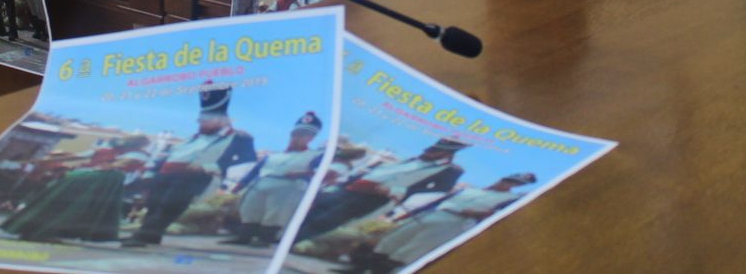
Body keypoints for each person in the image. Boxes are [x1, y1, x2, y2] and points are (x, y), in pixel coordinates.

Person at [123, 83, 257, 247]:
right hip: (166, 174)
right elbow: (171, 154)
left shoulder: (239, 138)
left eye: (205, 120)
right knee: (153, 205)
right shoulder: (192, 137)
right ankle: (150, 235)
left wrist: (208, 167)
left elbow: (247, 159)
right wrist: (151, 172)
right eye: (200, 120)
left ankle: (143, 236)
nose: (200, 124)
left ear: (221, 120)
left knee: (169, 206)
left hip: (192, 176)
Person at [347, 172, 537, 272]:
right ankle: (356, 269)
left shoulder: (508, 199)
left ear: (517, 186)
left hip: (455, 222)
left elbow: (496, 216)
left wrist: (480, 215)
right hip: (434, 214)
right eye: (507, 179)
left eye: (513, 183)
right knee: (392, 240)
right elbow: (439, 201)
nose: (507, 183)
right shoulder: (473, 190)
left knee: (410, 250)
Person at [296, 139, 467, 241]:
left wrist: (398, 190)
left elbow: (441, 188)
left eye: (434, 151)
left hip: (377, 196)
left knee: (330, 219)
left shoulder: (450, 170)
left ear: (445, 154)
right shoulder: (413, 159)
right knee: (319, 208)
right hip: (355, 187)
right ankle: (289, 235)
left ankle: (295, 240)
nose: (427, 152)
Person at [0, 134, 152, 243]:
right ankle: (47, 234)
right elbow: (121, 164)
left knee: (55, 205)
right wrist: (108, 166)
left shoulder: (103, 150)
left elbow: (74, 157)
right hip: (100, 180)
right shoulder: (139, 154)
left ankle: (31, 231)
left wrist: (42, 159)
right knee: (74, 209)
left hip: (76, 176)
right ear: (141, 145)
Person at [223, 111, 325, 247]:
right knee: (251, 208)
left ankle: (264, 240)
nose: (297, 137)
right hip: (263, 182)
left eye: (303, 135)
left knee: (275, 213)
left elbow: (321, 173)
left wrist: (302, 174)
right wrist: (241, 185)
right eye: (296, 134)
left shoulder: (314, 156)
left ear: (311, 138)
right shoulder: (274, 156)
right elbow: (255, 171)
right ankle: (244, 236)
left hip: (288, 186)